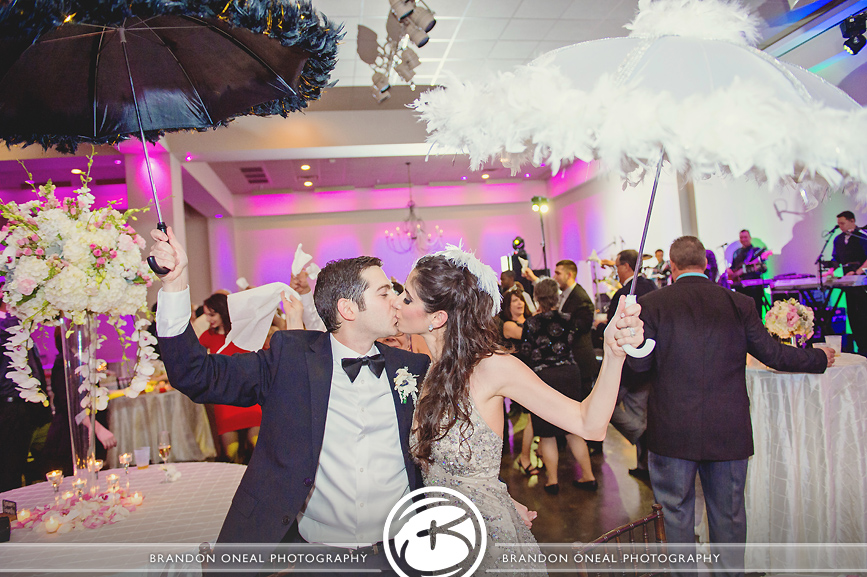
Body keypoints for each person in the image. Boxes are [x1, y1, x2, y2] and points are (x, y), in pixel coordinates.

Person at [149, 227, 431, 577]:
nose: (397, 300)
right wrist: (174, 284)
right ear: (347, 308)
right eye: (384, 292)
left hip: (403, 553)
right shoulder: (290, 361)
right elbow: (195, 374)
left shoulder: (414, 367)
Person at [394, 245, 644, 575]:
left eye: (406, 298)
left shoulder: (492, 368)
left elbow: (590, 423)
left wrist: (613, 354)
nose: (396, 302)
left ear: (437, 318)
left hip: (488, 545)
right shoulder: (432, 370)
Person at [629, 236, 833, 577]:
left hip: (672, 430)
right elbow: (774, 355)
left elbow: (638, 368)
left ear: (672, 266)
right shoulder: (739, 303)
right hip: (728, 429)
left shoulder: (651, 304)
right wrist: (818, 357)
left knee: (675, 514)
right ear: (706, 264)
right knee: (730, 516)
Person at [518, 278, 596, 494]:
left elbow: (525, 353)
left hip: (544, 378)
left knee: (547, 433)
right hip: (570, 374)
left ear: (536, 297)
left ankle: (552, 481)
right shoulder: (568, 319)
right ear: (556, 296)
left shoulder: (531, 324)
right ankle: (589, 476)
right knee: (574, 430)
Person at [606, 250, 657, 479]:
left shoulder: (623, 295)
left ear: (626, 266)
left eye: (617, 266)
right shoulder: (654, 288)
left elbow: (614, 329)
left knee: (607, 406)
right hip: (650, 363)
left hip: (628, 366)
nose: (615, 271)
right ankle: (644, 465)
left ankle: (640, 436)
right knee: (639, 411)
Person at [198, 292, 261, 464]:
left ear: (223, 312)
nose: (208, 319)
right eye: (206, 315)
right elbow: (196, 364)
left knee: (258, 446)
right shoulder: (207, 337)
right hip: (224, 398)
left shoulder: (242, 332)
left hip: (249, 395)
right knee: (231, 452)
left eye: (212, 314)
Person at [0, 301, 49, 492]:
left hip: (25, 406)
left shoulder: (17, 324)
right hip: (9, 404)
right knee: (10, 467)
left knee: (21, 463)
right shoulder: (8, 325)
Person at [500, 287, 539, 477]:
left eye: (521, 299)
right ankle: (524, 457)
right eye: (515, 300)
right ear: (508, 306)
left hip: (536, 372)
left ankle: (537, 450)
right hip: (518, 377)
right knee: (533, 415)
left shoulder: (532, 321)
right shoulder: (508, 325)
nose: (519, 303)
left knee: (536, 415)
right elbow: (527, 335)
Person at [831, 210, 867, 353]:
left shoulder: (862, 236)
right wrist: (830, 271)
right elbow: (835, 259)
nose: (840, 226)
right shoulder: (838, 239)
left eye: (843, 223)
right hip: (849, 283)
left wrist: (858, 272)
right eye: (839, 224)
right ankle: (860, 346)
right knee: (852, 314)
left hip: (862, 281)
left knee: (863, 312)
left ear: (852, 221)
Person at [725, 229, 767, 315]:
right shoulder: (736, 252)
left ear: (750, 238)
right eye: (741, 237)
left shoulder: (756, 251)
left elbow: (762, 268)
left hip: (754, 288)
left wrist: (753, 268)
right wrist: (730, 271)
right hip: (740, 288)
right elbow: (733, 268)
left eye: (745, 237)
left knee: (756, 312)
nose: (744, 239)